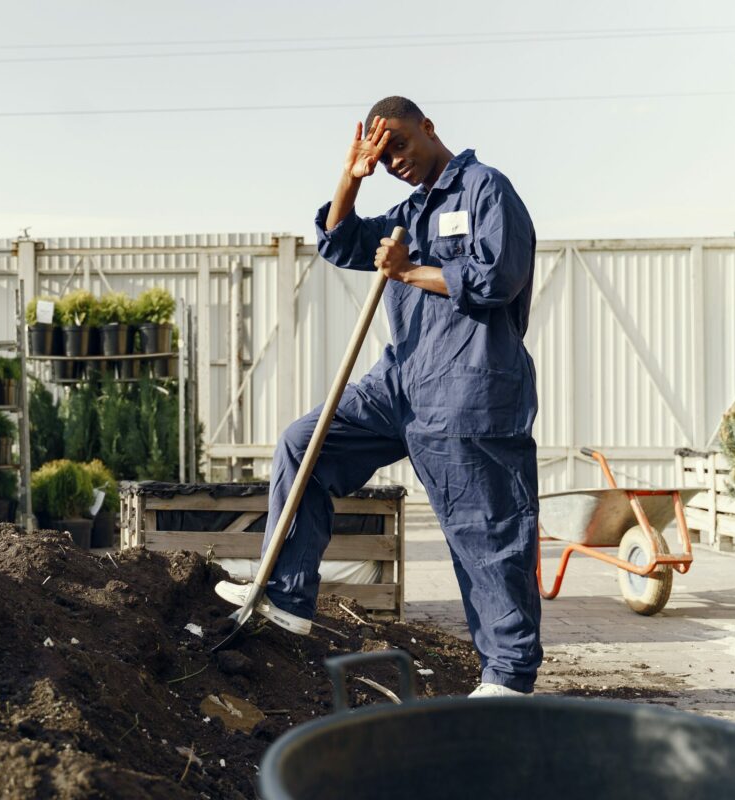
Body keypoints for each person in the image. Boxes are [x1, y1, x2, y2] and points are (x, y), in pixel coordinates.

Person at [216, 96, 542, 697]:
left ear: (429, 128)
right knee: (303, 444)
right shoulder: (408, 211)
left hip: (470, 384)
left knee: (486, 530)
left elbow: (500, 278)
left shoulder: (485, 191)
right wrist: (351, 177)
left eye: (398, 144)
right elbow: (339, 243)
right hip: (401, 383)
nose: (393, 159)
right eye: (381, 152)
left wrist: (409, 270)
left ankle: (508, 679)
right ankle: (287, 595)